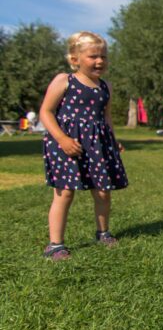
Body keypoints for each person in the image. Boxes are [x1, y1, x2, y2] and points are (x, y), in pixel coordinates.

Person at [39, 31, 128, 261]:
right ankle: (55, 245)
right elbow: (46, 112)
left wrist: (113, 139)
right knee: (65, 192)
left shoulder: (105, 86)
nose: (100, 61)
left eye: (104, 57)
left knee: (102, 191)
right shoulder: (64, 80)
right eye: (93, 56)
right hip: (67, 143)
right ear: (75, 58)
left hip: (98, 145)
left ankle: (103, 233)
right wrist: (62, 139)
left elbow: (106, 117)